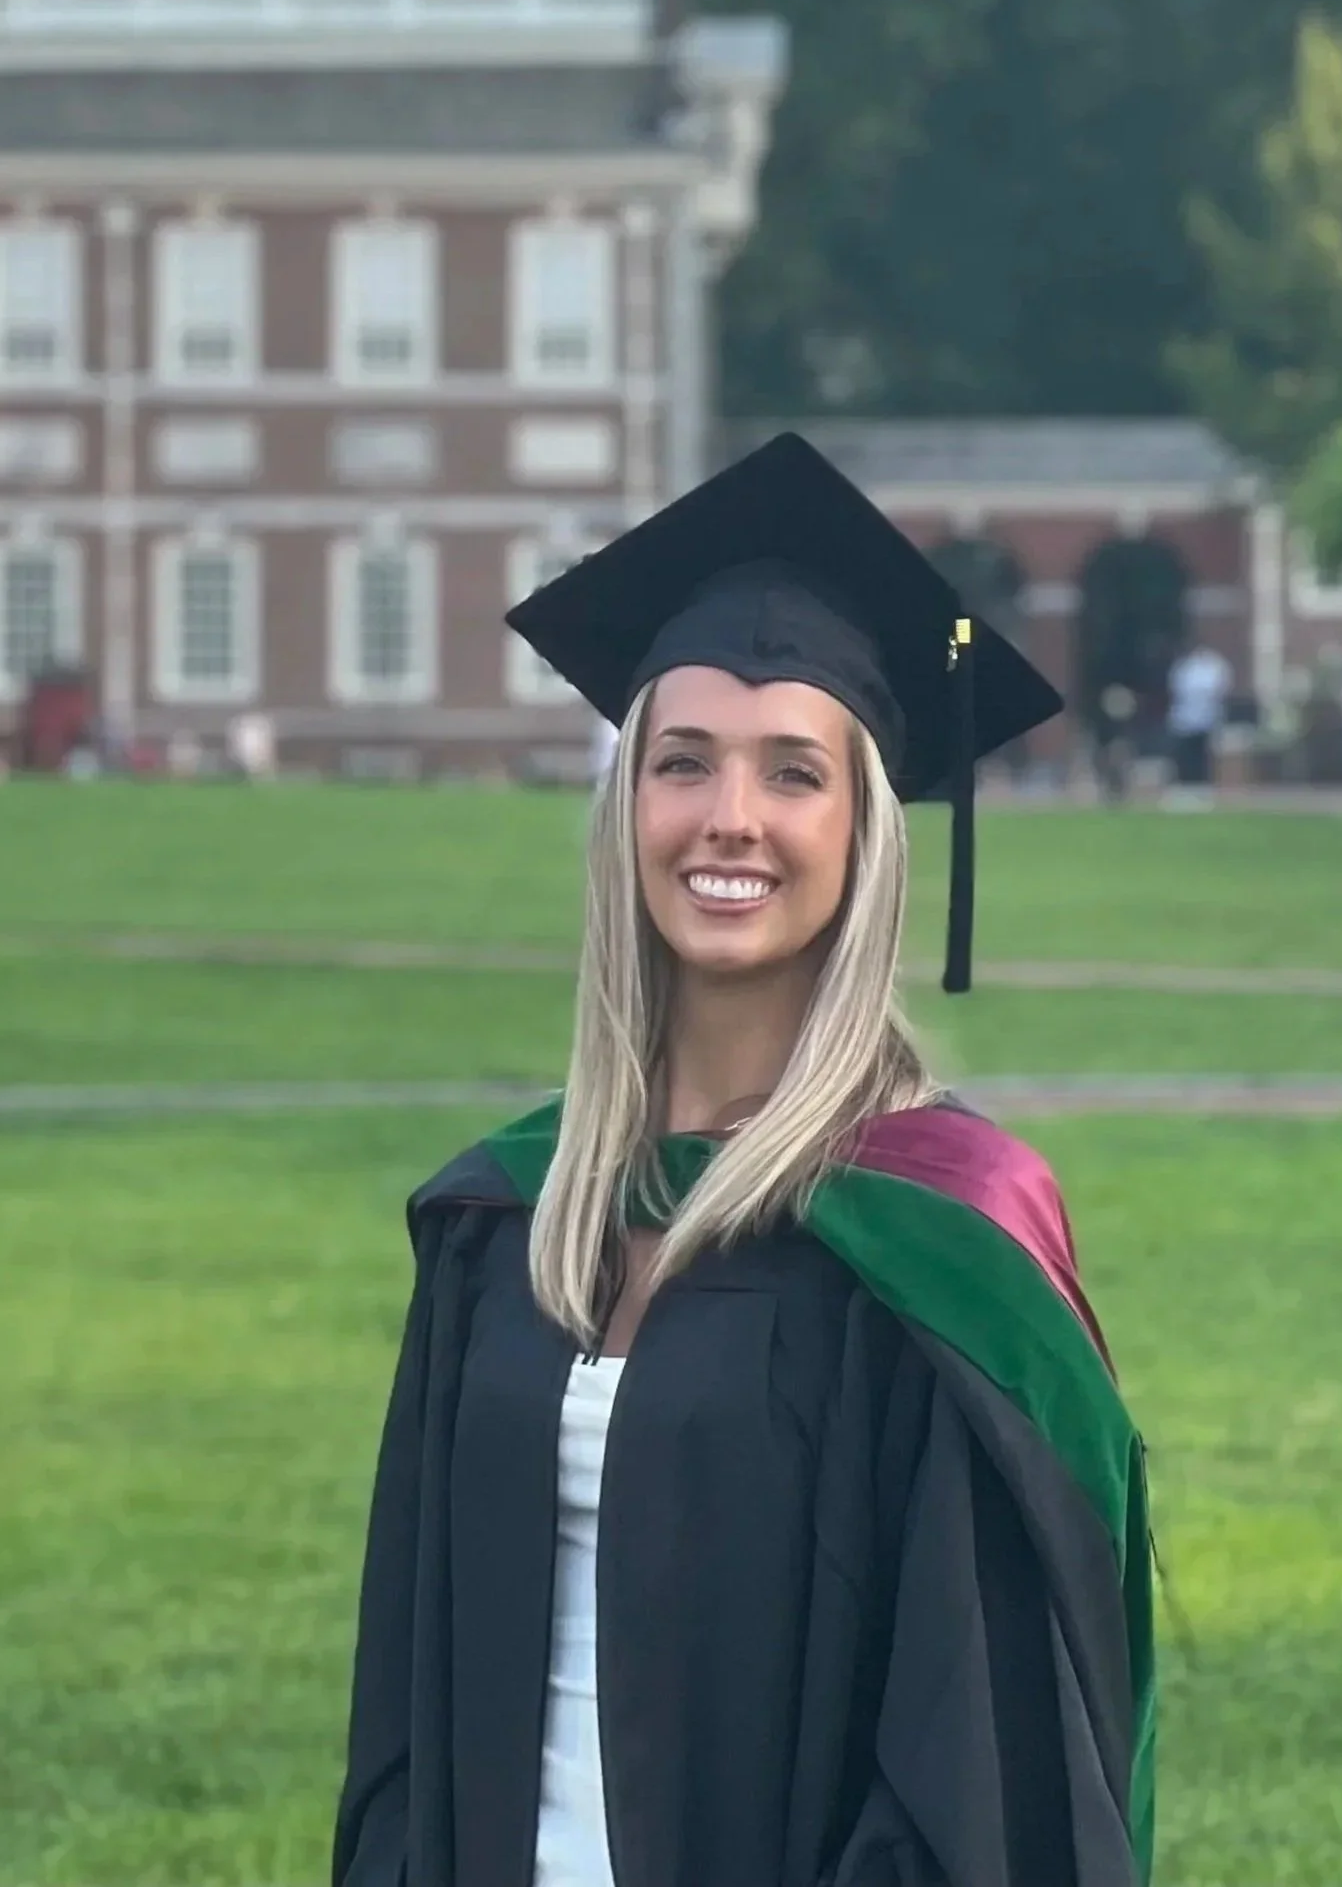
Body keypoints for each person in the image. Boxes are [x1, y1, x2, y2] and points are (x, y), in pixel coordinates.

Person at [331, 435, 1154, 1887]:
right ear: (626, 806)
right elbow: (408, 1709)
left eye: (794, 773)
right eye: (684, 762)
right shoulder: (504, 1222)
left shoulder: (933, 1244)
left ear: (864, 831)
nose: (732, 818)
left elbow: (971, 1772)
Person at [1164, 636, 1232, 809]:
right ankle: (1184, 788)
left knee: (1202, 755)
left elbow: (1219, 689)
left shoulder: (1214, 665)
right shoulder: (1185, 666)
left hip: (1206, 718)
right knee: (1184, 755)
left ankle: (1202, 789)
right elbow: (1176, 689)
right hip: (1184, 718)